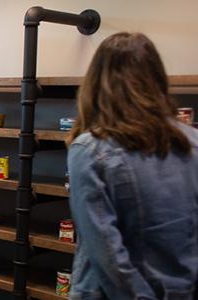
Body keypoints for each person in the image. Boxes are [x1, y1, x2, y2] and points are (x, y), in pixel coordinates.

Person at [66, 32, 198, 299]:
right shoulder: (191, 142)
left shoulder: (90, 148)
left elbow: (106, 252)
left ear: (95, 82)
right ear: (158, 80)